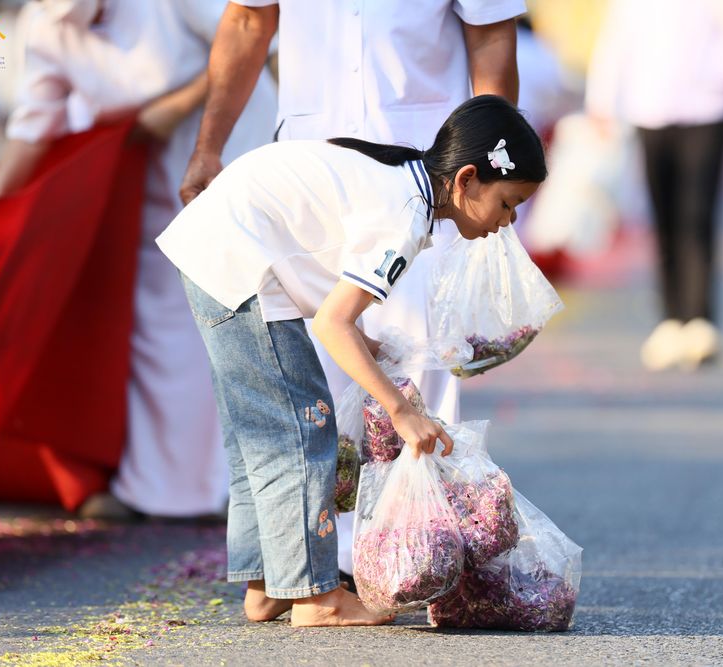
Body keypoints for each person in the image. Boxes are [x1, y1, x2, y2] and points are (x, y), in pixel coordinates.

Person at [156, 95, 546, 626]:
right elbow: (331, 324)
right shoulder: (404, 217)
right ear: (468, 179)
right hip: (236, 258)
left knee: (261, 432)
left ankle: (268, 584)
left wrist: (373, 348)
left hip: (222, 248)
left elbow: (331, 284)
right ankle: (315, 599)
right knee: (300, 425)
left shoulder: (404, 180)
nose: (508, 221)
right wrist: (402, 411)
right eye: (507, 202)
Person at [177, 0, 523, 577]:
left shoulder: (433, 203)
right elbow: (245, 20)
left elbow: (491, 37)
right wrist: (208, 145)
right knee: (308, 402)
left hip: (429, 151)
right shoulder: (399, 213)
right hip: (308, 184)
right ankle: (314, 575)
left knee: (416, 368)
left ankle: (408, 552)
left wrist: (494, 166)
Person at [0, 0, 277, 519]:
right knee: (159, 324)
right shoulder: (45, 28)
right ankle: (167, 484)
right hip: (141, 175)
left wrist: (179, 105)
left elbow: (251, 42)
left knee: (245, 307)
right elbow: (32, 127)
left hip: (226, 142)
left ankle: (240, 483)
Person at [586, 0, 723, 371]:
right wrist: (601, 101)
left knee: (699, 214)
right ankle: (671, 319)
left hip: (709, 110)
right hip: (651, 109)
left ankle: (700, 318)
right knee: (663, 218)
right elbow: (615, 41)